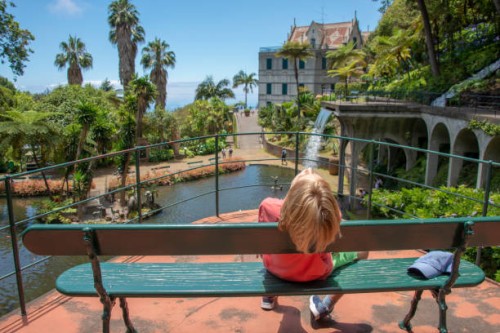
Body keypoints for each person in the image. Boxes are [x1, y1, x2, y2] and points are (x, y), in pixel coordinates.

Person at [258, 168, 369, 320]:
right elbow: (332, 213)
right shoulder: (332, 215)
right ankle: (326, 305)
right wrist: (315, 182)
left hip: (275, 269)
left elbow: (285, 207)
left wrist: (296, 185)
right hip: (315, 273)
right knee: (363, 251)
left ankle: (269, 296)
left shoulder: (268, 206)